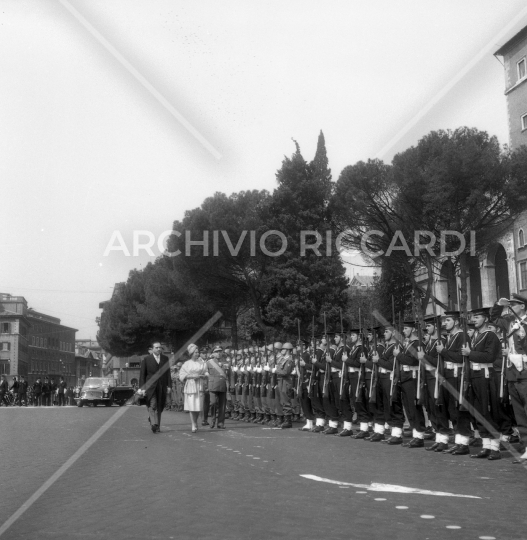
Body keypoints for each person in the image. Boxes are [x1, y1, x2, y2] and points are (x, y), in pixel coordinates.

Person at [138, 341, 172, 434]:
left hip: (162, 386)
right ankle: (154, 424)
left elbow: (168, 373)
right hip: (150, 387)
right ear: (152, 349)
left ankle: (157, 425)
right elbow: (142, 375)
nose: (158, 349)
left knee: (160, 406)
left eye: (160, 347)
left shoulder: (165, 359)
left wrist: (169, 385)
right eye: (156, 347)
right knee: (153, 404)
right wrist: (142, 388)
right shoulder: (146, 359)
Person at [179, 344, 209, 433]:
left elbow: (206, 372)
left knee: (198, 406)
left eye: (198, 352)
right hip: (191, 385)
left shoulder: (202, 363)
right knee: (192, 406)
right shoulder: (187, 364)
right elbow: (181, 375)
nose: (197, 354)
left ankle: (195, 422)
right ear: (191, 353)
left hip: (199, 385)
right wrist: (191, 376)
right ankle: (193, 424)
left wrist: (205, 376)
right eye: (195, 352)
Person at [207, 346, 228, 429]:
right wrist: (205, 386)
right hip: (212, 385)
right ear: (213, 353)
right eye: (216, 352)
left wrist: (232, 385)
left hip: (223, 385)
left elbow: (230, 374)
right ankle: (213, 419)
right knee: (213, 403)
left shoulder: (226, 362)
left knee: (222, 405)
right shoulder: (209, 363)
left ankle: (220, 422)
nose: (218, 353)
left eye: (220, 351)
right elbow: (205, 373)